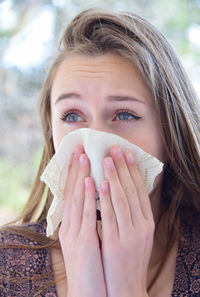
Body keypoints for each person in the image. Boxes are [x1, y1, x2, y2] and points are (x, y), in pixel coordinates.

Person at [0, 7, 200, 297]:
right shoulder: (6, 268)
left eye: (125, 114)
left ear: (170, 133)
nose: (95, 142)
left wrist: (128, 288)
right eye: (71, 116)